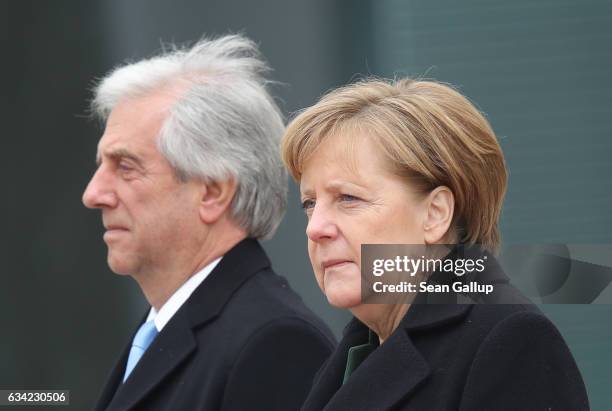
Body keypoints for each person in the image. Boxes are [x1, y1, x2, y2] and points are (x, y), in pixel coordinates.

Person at [280, 78, 589, 410]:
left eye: (348, 198)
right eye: (310, 203)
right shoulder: (357, 350)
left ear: (435, 215)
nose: (316, 228)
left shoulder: (511, 343)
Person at [82, 34, 335, 411]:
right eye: (102, 165)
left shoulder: (276, 344)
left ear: (213, 192)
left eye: (126, 167)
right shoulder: (162, 329)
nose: (93, 193)